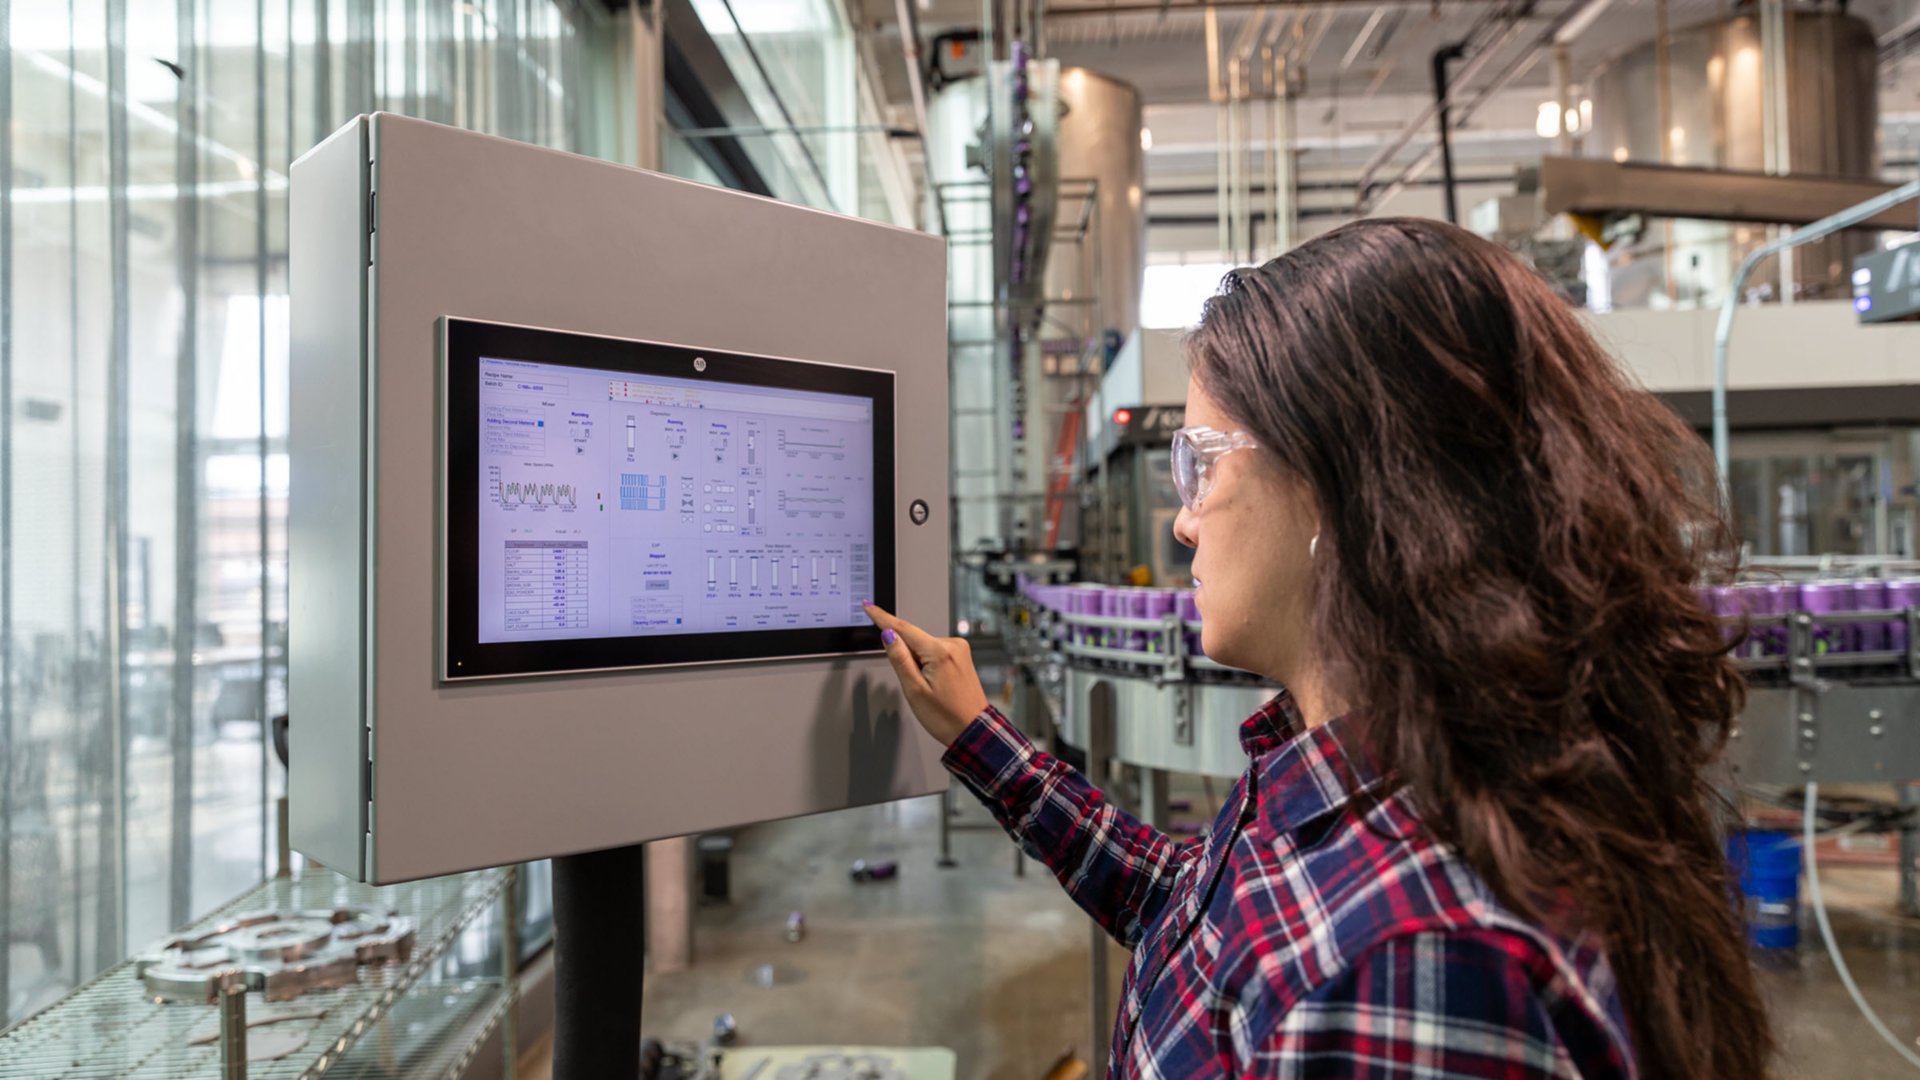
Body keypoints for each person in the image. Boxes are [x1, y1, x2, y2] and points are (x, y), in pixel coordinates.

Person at [863, 217, 1771, 1078]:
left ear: (1339, 488)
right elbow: (1189, 915)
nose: (1182, 520)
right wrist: (981, 735)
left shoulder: (1419, 973)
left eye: (1204, 463)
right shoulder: (1374, 771)